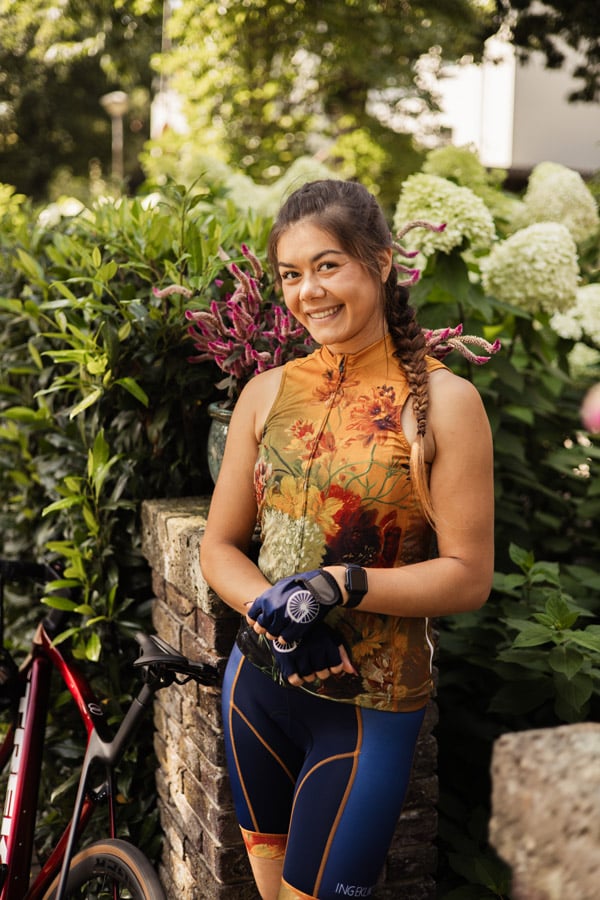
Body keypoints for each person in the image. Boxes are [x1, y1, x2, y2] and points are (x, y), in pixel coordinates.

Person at [200, 179, 494, 900]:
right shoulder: (265, 392)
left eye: (328, 265)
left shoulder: (446, 402)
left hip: (371, 712)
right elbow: (219, 548)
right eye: (291, 275)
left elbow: (468, 577)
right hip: (255, 691)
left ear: (381, 262)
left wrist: (341, 584)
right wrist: (279, 612)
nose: (309, 292)